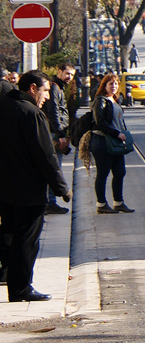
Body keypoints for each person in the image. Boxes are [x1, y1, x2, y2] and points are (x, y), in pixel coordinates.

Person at [0, 70, 71, 302]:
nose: (47, 97)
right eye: (45, 90)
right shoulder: (32, 113)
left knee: (9, 236)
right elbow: (45, 155)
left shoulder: (4, 107)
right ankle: (21, 289)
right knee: (26, 240)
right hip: (28, 190)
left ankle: (10, 278)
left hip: (5, 188)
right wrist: (61, 187)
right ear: (32, 89)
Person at [89, 73, 134, 214]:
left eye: (115, 84)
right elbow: (100, 122)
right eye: (110, 84)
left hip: (115, 141)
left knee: (120, 172)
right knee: (103, 173)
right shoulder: (100, 100)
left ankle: (118, 202)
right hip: (102, 140)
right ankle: (101, 204)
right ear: (104, 86)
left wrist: (123, 133)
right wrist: (116, 133)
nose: (114, 86)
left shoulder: (114, 100)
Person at [42, 64, 75, 215]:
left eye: (72, 75)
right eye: (67, 73)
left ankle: (50, 201)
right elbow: (53, 111)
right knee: (54, 168)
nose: (69, 77)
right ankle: (50, 202)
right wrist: (60, 134)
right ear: (59, 72)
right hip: (54, 133)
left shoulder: (58, 87)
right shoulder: (55, 87)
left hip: (56, 132)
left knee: (54, 167)